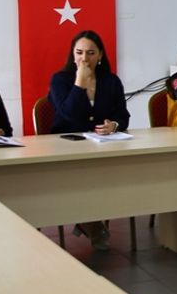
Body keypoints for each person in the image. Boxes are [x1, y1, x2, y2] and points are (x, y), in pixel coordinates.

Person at [49, 29, 131, 250]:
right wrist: (79, 82)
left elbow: (123, 116)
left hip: (102, 146)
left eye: (91, 53)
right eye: (79, 52)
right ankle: (92, 224)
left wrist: (114, 125)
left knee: (111, 174)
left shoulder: (111, 81)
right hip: (66, 146)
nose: (84, 58)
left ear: (100, 55)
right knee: (80, 176)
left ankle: (88, 221)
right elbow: (68, 114)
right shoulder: (60, 80)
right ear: (72, 54)